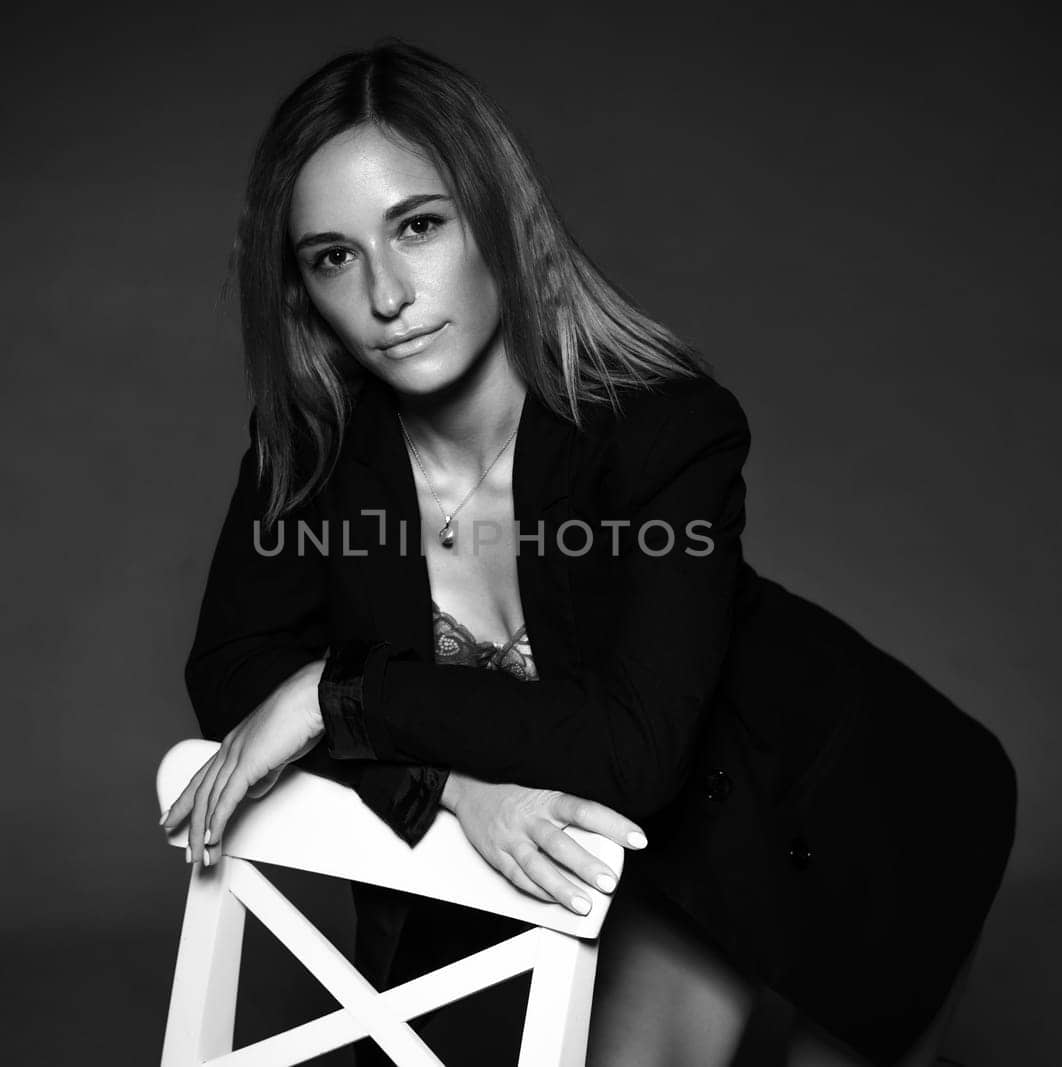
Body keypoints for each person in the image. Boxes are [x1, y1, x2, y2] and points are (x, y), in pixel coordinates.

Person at [159, 38, 1016, 1067]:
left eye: (419, 226)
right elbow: (233, 672)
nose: (385, 294)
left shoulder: (663, 430)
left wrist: (336, 695)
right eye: (333, 255)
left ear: (499, 223)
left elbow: (629, 749)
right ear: (301, 287)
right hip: (667, 846)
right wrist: (450, 782)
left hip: (862, 807)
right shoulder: (313, 447)